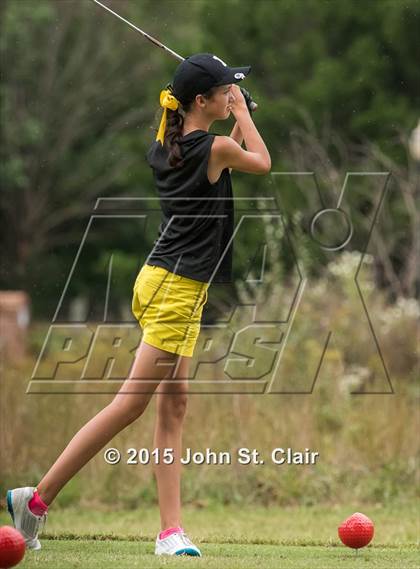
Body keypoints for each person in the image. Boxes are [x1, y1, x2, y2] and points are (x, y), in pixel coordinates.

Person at [6, 52, 271, 558]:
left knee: (174, 406)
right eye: (226, 90)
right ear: (203, 101)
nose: (232, 95)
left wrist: (234, 118)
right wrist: (245, 117)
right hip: (176, 290)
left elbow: (224, 159)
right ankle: (35, 500)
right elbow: (261, 162)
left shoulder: (169, 146)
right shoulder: (213, 145)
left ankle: (170, 531)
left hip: (166, 283)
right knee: (131, 404)